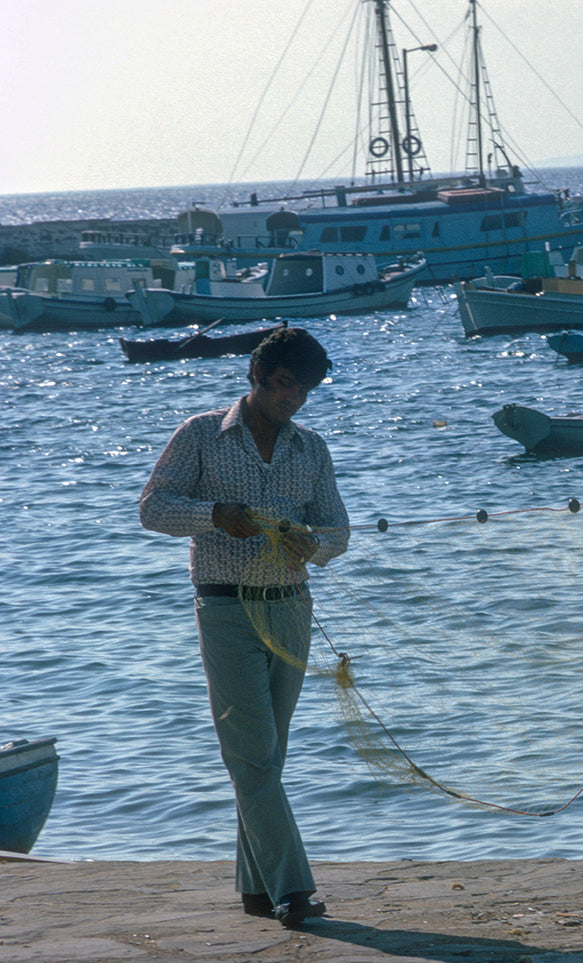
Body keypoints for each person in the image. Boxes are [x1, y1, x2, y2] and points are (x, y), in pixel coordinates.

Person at [139, 328, 349, 926]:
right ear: (257, 377)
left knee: (267, 758)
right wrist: (214, 517)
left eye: (305, 390)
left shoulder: (310, 449)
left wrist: (315, 546)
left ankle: (255, 889)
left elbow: (337, 528)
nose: (294, 400)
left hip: (291, 605)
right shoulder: (202, 434)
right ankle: (293, 891)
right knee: (252, 756)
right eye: (286, 385)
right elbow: (152, 507)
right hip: (226, 607)